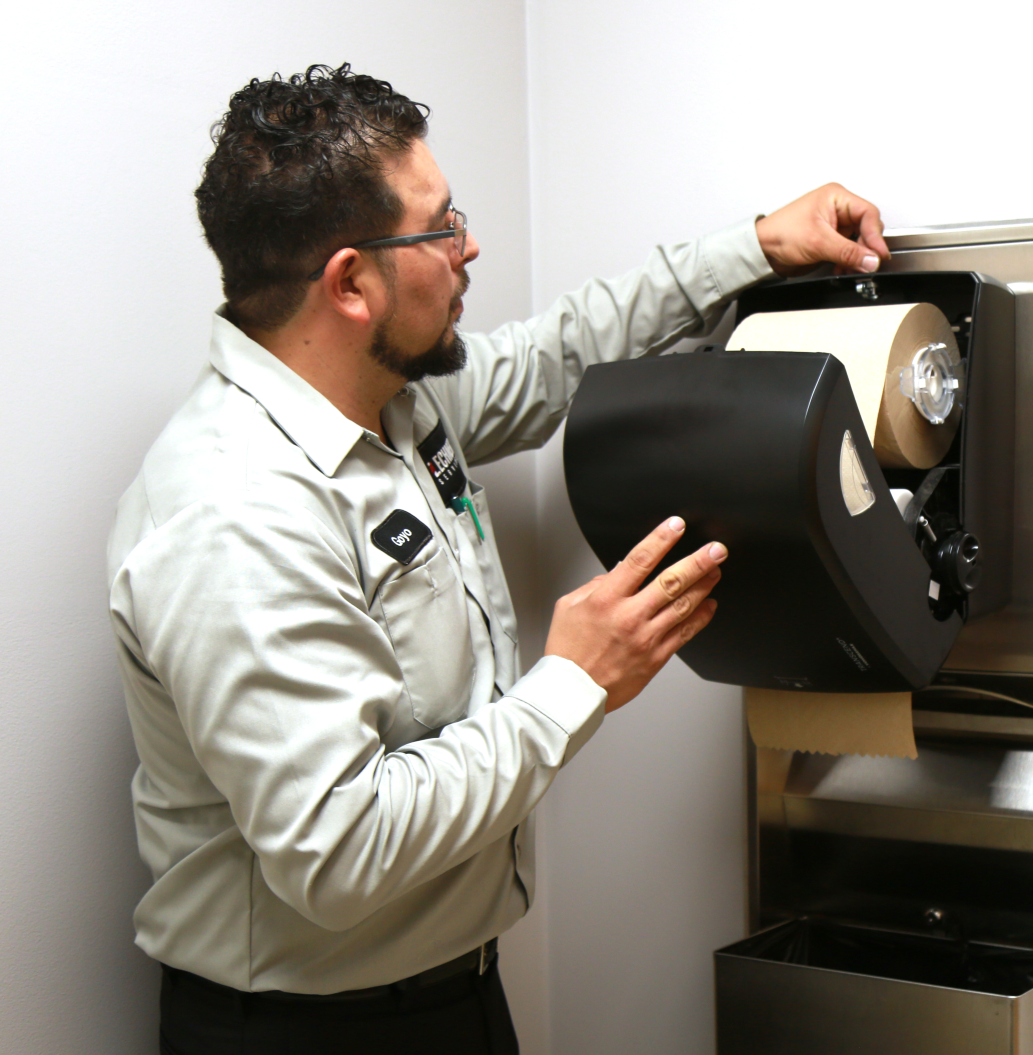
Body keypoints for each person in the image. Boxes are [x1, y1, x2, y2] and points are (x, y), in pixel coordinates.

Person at [106, 63, 889, 1054]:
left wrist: (755, 247)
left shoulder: (392, 398)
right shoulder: (236, 510)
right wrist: (571, 684)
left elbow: (549, 357)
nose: (468, 245)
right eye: (439, 227)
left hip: (456, 994)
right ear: (351, 281)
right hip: (308, 1032)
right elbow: (340, 854)